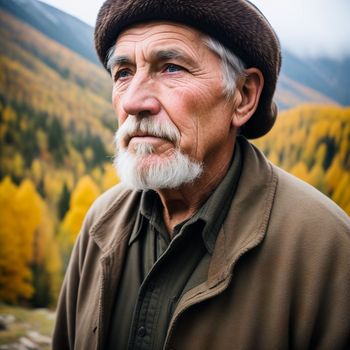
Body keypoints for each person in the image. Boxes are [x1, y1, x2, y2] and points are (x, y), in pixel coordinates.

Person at [53, 1, 350, 349]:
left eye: (172, 68)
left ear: (243, 96)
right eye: (123, 73)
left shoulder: (326, 250)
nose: (134, 101)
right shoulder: (100, 224)